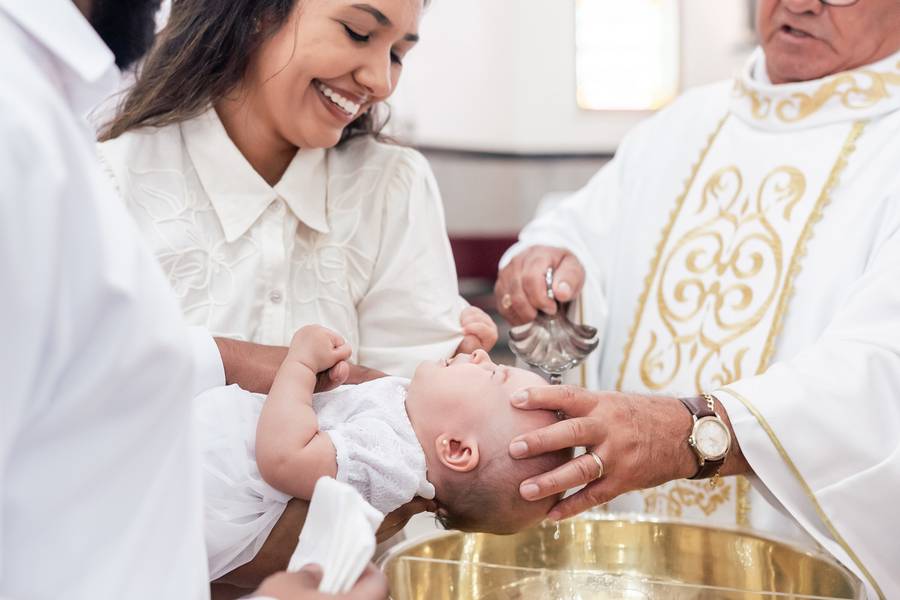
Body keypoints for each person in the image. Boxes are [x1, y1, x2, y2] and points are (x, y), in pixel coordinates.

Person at [494, 0, 900, 597]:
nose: (801, 3)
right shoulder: (684, 123)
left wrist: (696, 434)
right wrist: (547, 271)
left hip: (801, 571)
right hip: (630, 560)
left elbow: (883, 366)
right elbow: (576, 236)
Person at [0, 0, 386, 598]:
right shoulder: (22, 128)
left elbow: (83, 390)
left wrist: (239, 362)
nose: (381, 78)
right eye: (357, 31)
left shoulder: (45, 108)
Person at [96, 0, 497, 378]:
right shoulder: (109, 183)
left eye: (396, 55)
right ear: (260, 12)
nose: (379, 81)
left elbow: (416, 415)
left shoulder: (392, 187)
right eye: (357, 32)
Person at [197, 335, 570, 579]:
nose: (482, 355)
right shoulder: (406, 422)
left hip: (206, 486)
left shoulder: (393, 456)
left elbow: (284, 459)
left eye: (493, 375)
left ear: (455, 449)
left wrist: (300, 367)